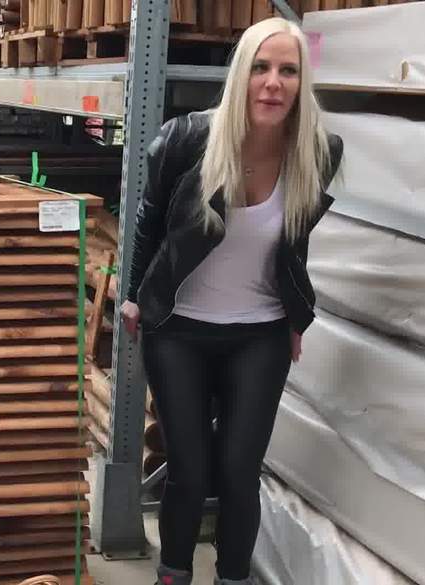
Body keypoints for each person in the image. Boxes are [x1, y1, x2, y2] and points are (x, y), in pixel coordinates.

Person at [120, 17, 344, 585]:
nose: (273, 82)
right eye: (260, 68)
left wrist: (295, 313)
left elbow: (295, 239)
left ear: (302, 82)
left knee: (240, 473)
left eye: (288, 70)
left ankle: (233, 578)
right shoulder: (185, 139)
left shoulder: (318, 151)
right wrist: (134, 296)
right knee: (190, 472)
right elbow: (149, 221)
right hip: (179, 330)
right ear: (241, 73)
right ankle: (173, 574)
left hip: (260, 333)